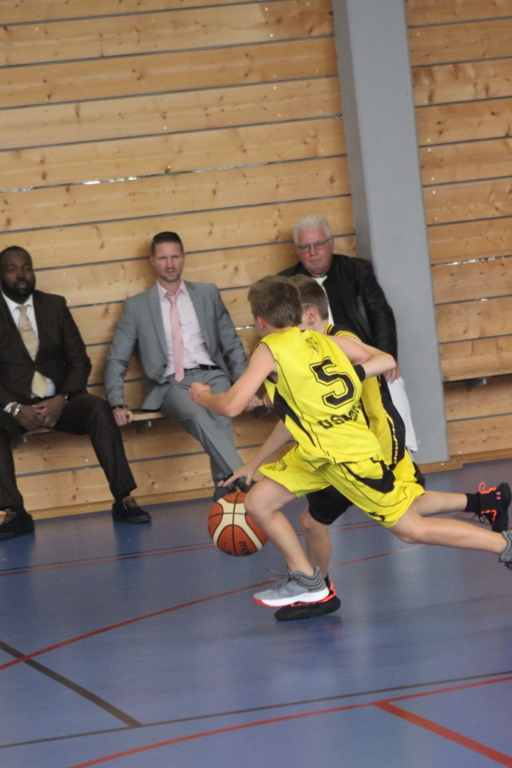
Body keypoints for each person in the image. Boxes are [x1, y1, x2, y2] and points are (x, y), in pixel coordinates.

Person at [189, 276, 512, 613]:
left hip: (347, 457)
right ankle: (308, 580)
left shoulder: (270, 349)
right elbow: (379, 359)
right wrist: (352, 374)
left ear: (259, 321)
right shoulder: (321, 340)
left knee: (410, 528)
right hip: (317, 453)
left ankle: (504, 545)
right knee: (258, 502)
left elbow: (231, 406)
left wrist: (203, 396)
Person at [0, 246, 150, 540]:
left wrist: (62, 399)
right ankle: (15, 512)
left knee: (99, 410)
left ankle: (123, 499)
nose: (21, 275)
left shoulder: (54, 305)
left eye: (27, 267)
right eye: (12, 269)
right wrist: (14, 408)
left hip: (61, 399)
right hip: (15, 406)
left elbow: (80, 360)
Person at [105, 231, 258, 488]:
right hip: (171, 384)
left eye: (175, 257)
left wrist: (246, 388)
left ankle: (226, 490)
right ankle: (244, 481)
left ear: (184, 257)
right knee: (197, 415)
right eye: (163, 258)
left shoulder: (207, 294)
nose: (170, 264)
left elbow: (231, 343)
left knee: (222, 414)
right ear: (152, 261)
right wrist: (116, 402)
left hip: (214, 375)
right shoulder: (137, 307)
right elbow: (117, 359)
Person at [280, 216, 418, 453]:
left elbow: (380, 314)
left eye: (318, 244)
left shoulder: (357, 271)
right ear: (297, 250)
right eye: (305, 247)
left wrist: (386, 355)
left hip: (362, 356)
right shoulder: (287, 283)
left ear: (331, 243)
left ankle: (404, 452)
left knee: (391, 383)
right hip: (317, 368)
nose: (312, 253)